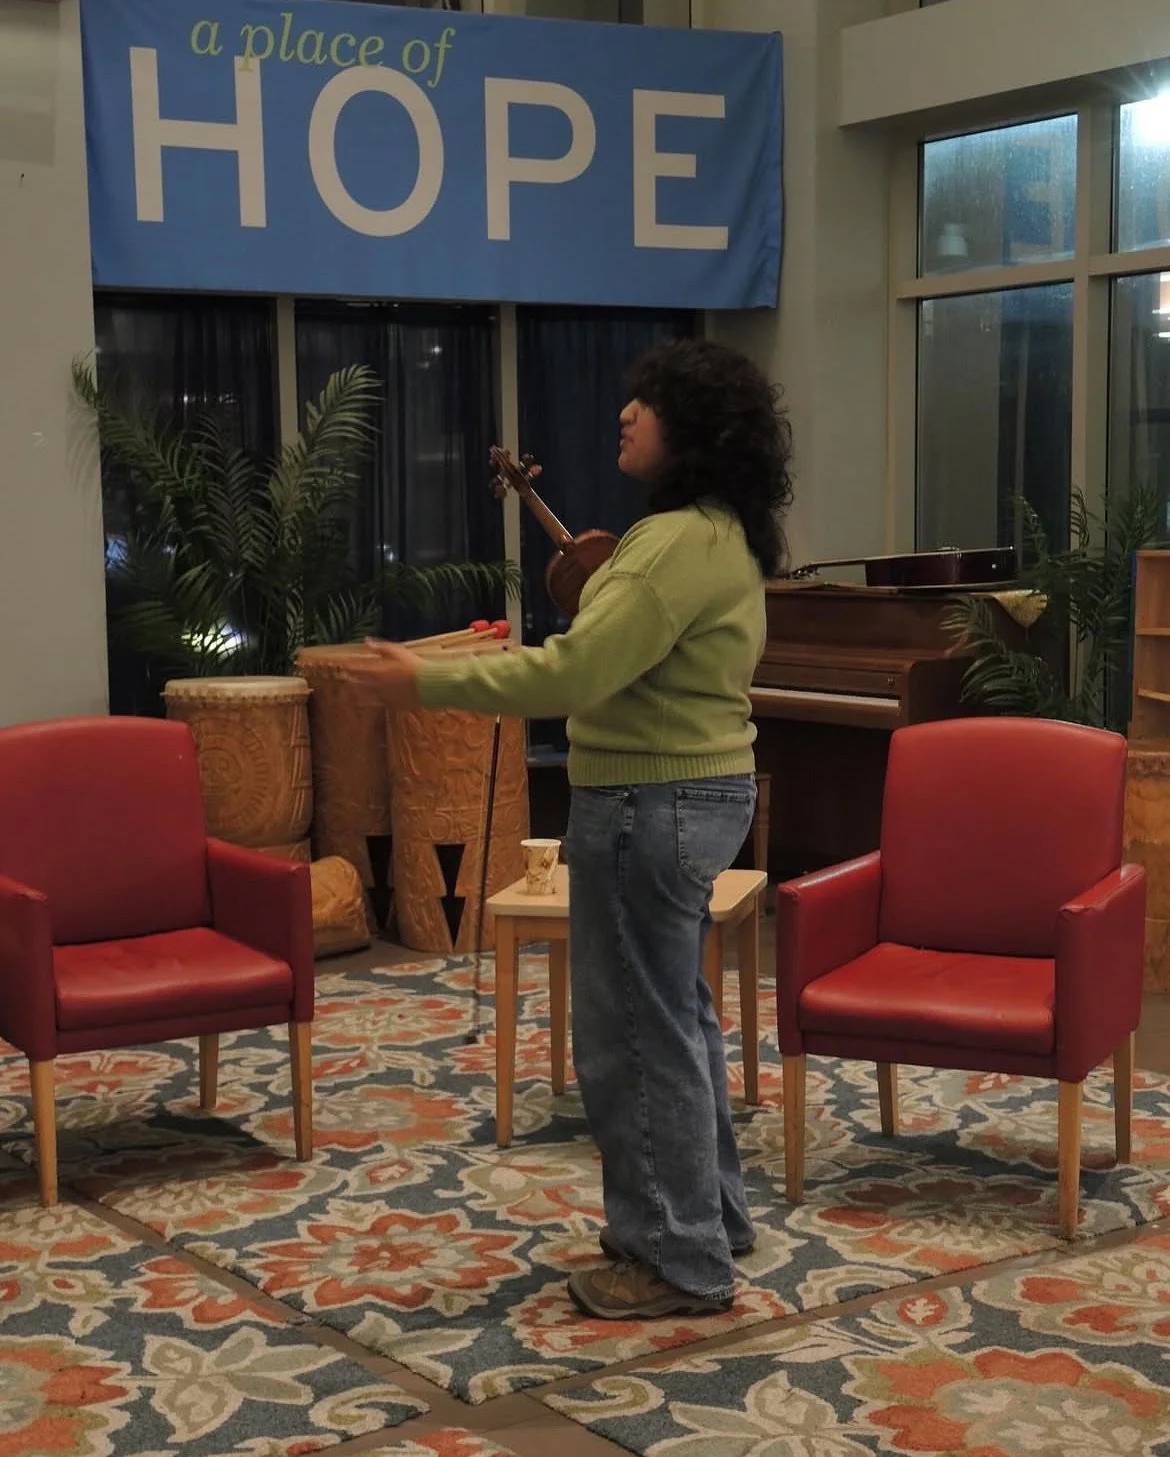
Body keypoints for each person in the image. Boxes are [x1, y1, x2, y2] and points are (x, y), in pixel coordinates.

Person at [342, 337, 794, 1321]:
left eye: (647, 402)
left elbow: (570, 674)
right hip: (700, 792)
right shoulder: (720, 534)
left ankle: (676, 1259)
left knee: (632, 1038)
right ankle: (710, 1218)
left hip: (646, 803)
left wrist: (423, 681)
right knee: (676, 1021)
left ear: (694, 428)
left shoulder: (670, 544)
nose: (624, 413)